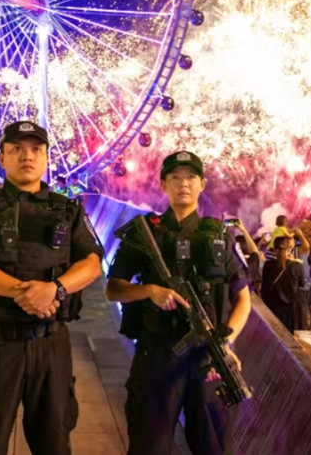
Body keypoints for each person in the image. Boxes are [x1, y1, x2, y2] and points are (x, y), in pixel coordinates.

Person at [0, 122, 104, 455]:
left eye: (36, 149)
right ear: (2, 157)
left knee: (54, 442)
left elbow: (92, 263)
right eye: (17, 149)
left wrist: (56, 289)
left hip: (52, 345)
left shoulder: (68, 210)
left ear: (47, 158)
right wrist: (25, 292)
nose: (27, 156)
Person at [105, 151, 252, 455]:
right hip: (156, 355)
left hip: (206, 361)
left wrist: (226, 343)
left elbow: (243, 299)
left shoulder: (219, 235)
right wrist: (149, 291)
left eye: (190, 178)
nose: (183, 184)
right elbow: (114, 289)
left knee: (213, 447)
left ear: (202, 184)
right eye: (175, 177)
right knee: (149, 445)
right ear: (163, 184)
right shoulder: (147, 232)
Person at [261, 234, 308, 332]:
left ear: (274, 249)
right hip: (289, 309)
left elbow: (264, 284)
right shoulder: (297, 265)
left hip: (271, 308)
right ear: (289, 249)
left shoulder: (268, 265)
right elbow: (302, 284)